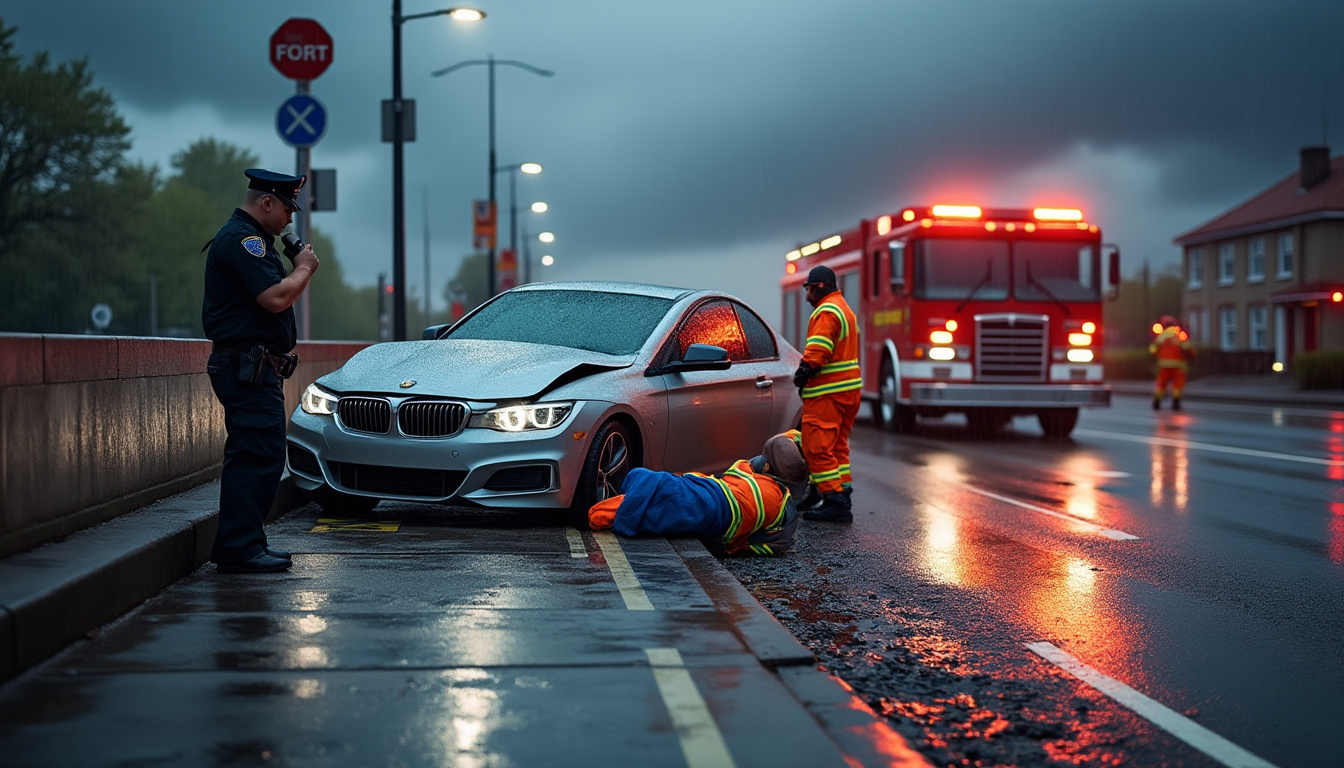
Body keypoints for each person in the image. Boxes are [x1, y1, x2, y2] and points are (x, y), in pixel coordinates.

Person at [202, 169, 319, 573]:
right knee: (256, 454)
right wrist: (303, 267)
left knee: (259, 453)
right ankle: (240, 548)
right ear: (266, 202)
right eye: (287, 208)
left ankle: (246, 543)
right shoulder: (243, 240)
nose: (290, 218)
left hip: (254, 367)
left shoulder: (255, 241)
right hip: (245, 367)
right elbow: (274, 298)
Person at [588, 432, 808, 556]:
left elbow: (728, 501)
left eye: (764, 458)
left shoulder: (769, 493)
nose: (757, 459)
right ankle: (632, 502)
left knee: (658, 486)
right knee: (650, 480)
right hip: (713, 502)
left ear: (769, 468)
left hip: (714, 508)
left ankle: (622, 509)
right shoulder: (773, 493)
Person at [792, 265, 862, 523]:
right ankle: (836, 489)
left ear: (819, 286)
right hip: (848, 392)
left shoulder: (827, 311)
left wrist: (804, 371)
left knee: (816, 447)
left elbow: (819, 349)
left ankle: (836, 501)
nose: (806, 294)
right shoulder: (844, 309)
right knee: (837, 447)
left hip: (827, 394)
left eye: (808, 289)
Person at [1150, 314, 1195, 410]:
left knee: (1161, 385)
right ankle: (1175, 403)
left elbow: (1152, 349)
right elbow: (1187, 347)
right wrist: (1193, 356)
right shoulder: (1179, 334)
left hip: (1163, 365)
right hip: (1178, 366)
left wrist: (1158, 353)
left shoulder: (1161, 336)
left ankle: (1156, 403)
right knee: (1177, 385)